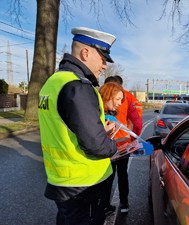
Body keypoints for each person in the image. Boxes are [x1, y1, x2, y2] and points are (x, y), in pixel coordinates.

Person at [38, 27, 118, 225]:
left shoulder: (53, 82)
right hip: (85, 184)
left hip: (61, 179)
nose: (104, 66)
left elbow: (65, 125)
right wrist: (115, 147)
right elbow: (96, 145)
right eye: (103, 59)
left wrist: (100, 130)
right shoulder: (79, 86)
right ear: (85, 53)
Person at [102, 75, 143, 214]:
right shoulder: (127, 98)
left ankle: (105, 205)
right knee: (122, 175)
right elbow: (137, 122)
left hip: (106, 144)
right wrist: (134, 140)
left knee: (107, 176)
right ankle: (124, 204)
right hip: (124, 144)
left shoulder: (100, 98)